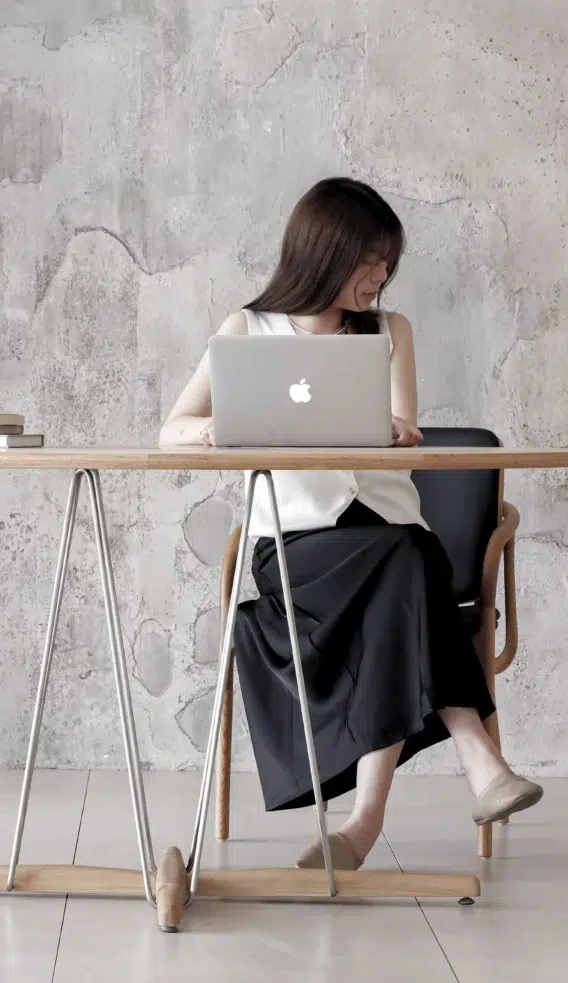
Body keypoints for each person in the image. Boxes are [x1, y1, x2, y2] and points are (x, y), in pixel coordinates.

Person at [160, 177, 542, 870]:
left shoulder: (390, 331)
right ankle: (478, 758)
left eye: (389, 262)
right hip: (297, 546)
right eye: (371, 260)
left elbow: (404, 430)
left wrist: (398, 433)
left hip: (389, 535)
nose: (382, 276)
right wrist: (223, 428)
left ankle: (363, 826)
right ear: (325, 252)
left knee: (403, 563)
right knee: (410, 566)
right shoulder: (246, 330)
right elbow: (170, 431)